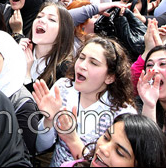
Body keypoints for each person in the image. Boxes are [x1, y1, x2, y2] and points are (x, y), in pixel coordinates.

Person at [34, 36, 137, 166]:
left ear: (110, 77)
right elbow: (39, 147)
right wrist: (48, 119)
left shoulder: (122, 113)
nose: (82, 66)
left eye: (93, 63)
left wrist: (72, 139)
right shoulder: (62, 88)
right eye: (81, 58)